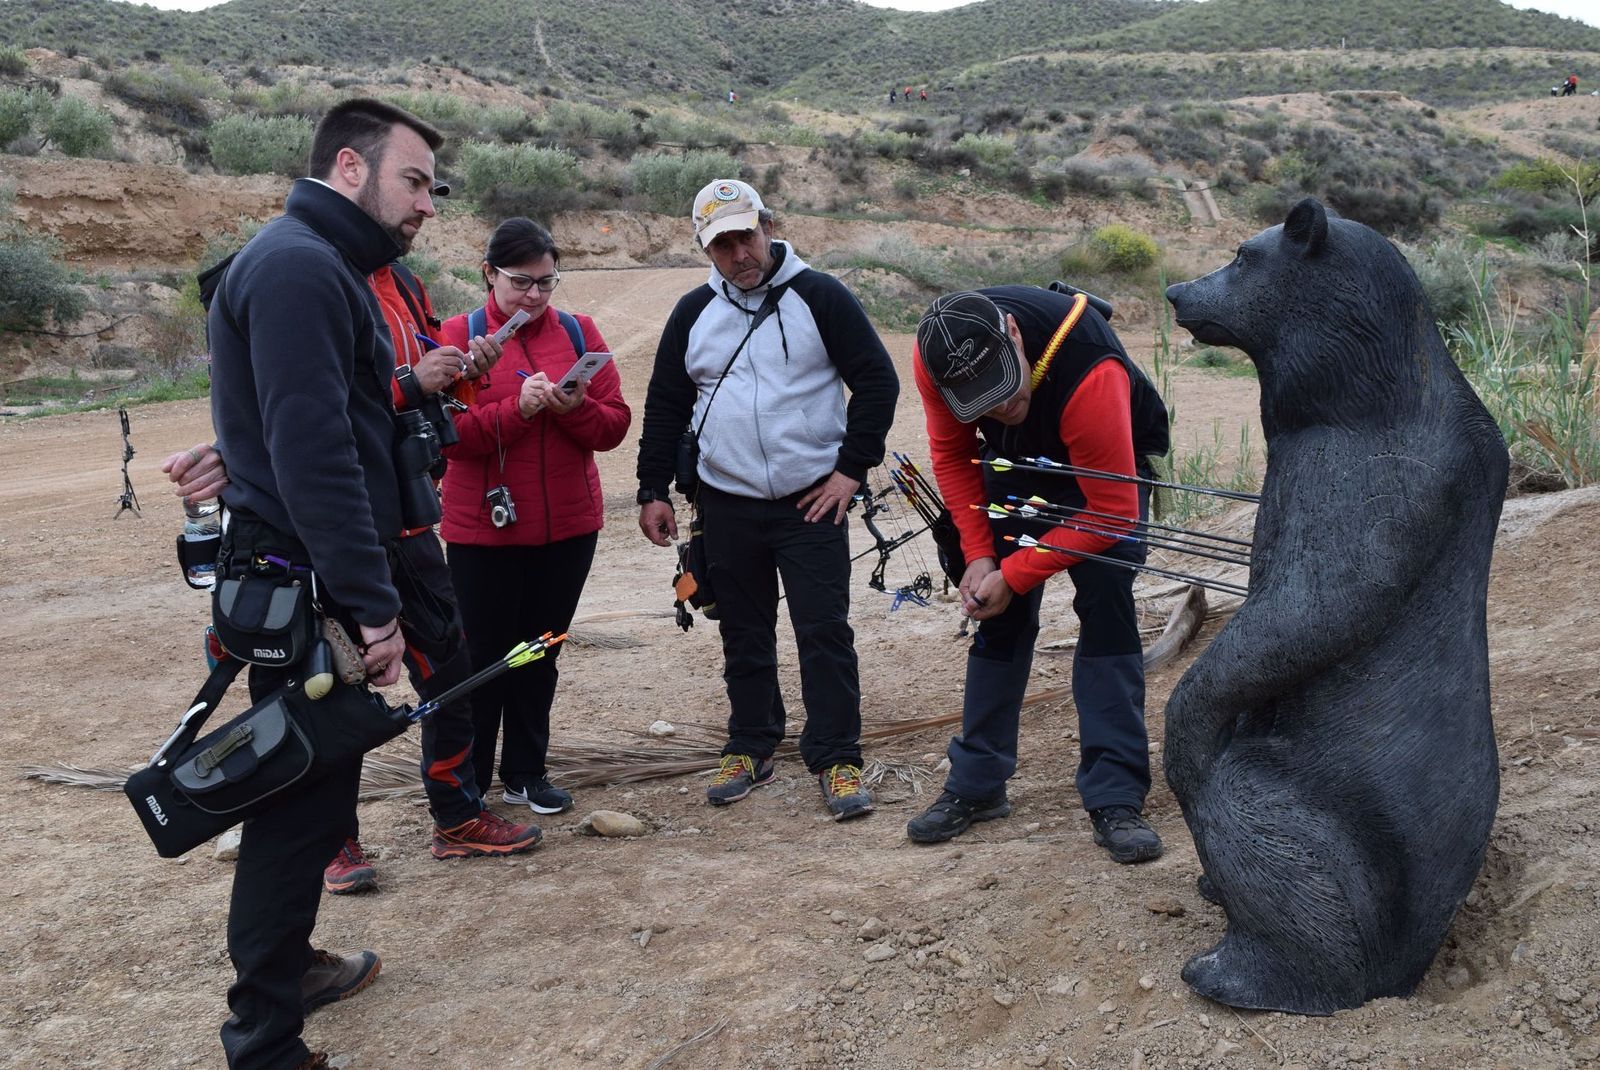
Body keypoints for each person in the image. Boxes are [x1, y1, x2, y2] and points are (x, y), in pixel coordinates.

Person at [195, 98, 532, 1070]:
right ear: (350, 167)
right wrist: (372, 605)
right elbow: (315, 455)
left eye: (432, 186)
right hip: (311, 583)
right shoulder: (300, 266)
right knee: (296, 805)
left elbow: (327, 422)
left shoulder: (316, 263)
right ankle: (266, 1040)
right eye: (414, 181)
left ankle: (291, 969)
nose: (428, 203)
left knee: (309, 788)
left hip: (310, 573)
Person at [635, 179, 899, 821]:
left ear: (768, 227)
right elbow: (666, 404)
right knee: (743, 631)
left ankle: (836, 756)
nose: (738, 254)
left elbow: (877, 382)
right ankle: (751, 745)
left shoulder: (821, 296)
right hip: (726, 501)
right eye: (721, 245)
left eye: (745, 237)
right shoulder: (693, 312)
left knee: (823, 630)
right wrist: (652, 489)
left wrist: (850, 471)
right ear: (706, 249)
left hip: (812, 501)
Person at [905, 287, 1169, 864]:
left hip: (1100, 473)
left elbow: (1112, 512)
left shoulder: (1090, 370)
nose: (1002, 407)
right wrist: (980, 556)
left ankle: (1116, 795)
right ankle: (977, 783)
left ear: (1014, 335)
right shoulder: (935, 359)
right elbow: (952, 456)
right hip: (1017, 466)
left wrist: (1017, 572)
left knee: (1106, 605)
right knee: (997, 616)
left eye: (1005, 386)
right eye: (982, 401)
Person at [438, 217, 632, 816]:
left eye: (547, 282)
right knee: (482, 658)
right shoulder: (457, 337)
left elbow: (614, 425)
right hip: (483, 534)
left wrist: (572, 409)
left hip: (568, 529)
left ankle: (526, 772)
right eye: (521, 281)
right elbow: (449, 438)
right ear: (488, 274)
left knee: (541, 652)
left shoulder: (578, 332)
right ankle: (468, 784)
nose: (535, 295)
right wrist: (517, 412)